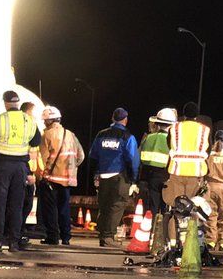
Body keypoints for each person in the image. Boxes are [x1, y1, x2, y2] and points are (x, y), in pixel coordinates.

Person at [0, 90, 41, 252]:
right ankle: (14, 243)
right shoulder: (29, 120)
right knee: (17, 205)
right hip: (21, 167)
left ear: (5, 103)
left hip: (2, 167)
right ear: (17, 102)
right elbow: (36, 140)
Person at [88, 107, 139, 248]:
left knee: (104, 205)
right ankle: (108, 236)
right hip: (120, 175)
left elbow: (93, 154)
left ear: (112, 118)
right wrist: (133, 178)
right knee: (117, 205)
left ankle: (103, 236)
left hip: (103, 174)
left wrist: (97, 172)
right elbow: (133, 159)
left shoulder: (101, 134)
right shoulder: (128, 137)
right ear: (126, 120)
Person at [37, 106, 84, 245]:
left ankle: (52, 237)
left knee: (50, 209)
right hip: (68, 180)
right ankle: (66, 237)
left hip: (51, 179)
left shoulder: (46, 135)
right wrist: (72, 169)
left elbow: (43, 158)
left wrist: (42, 175)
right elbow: (81, 156)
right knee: (64, 208)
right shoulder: (70, 134)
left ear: (48, 121)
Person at [164, 101, 210, 245]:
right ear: (197, 115)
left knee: (176, 208)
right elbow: (207, 151)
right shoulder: (204, 130)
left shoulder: (175, 128)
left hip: (177, 171)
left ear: (184, 114)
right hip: (196, 173)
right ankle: (189, 243)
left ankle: (173, 241)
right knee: (192, 208)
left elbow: (169, 145)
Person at [138, 107, 174, 221]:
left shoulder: (148, 137)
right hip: (165, 175)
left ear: (157, 124)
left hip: (149, 175)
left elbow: (140, 156)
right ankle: (162, 234)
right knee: (165, 208)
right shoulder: (171, 140)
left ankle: (150, 232)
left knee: (152, 206)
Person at [19, 101, 41, 244]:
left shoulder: (29, 124)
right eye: (33, 112)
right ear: (28, 111)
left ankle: (18, 232)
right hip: (25, 172)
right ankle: (17, 233)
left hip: (29, 172)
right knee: (23, 204)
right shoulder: (27, 124)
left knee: (24, 205)